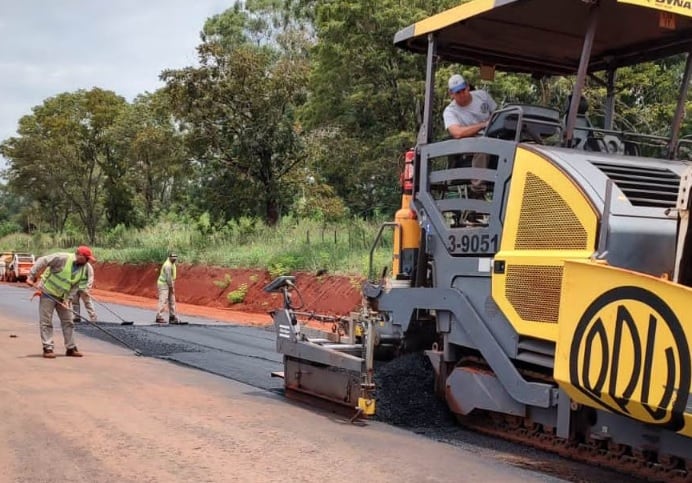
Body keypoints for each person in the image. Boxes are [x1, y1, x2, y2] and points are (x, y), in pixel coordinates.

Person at [26, 246, 97, 358]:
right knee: (46, 321)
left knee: (68, 321)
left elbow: (75, 286)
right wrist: (31, 276)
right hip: (48, 293)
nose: (88, 261)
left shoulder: (84, 267)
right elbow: (42, 260)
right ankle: (48, 348)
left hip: (63, 297)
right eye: (86, 258)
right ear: (79, 255)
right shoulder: (62, 258)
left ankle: (71, 348)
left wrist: (68, 299)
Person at [443, 74, 498, 197]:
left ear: (467, 87)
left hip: (492, 136)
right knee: (482, 144)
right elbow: (457, 133)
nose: (462, 94)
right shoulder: (450, 111)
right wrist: (483, 125)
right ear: (451, 94)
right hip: (468, 143)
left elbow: (497, 114)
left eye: (463, 90)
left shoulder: (482, 96)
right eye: (458, 92)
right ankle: (477, 189)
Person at [155, 252, 185, 324]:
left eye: (175, 258)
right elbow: (168, 278)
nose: (174, 260)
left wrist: (172, 286)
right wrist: (171, 288)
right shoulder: (167, 265)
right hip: (164, 284)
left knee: (172, 300)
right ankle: (159, 317)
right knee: (163, 300)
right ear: (169, 257)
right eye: (173, 258)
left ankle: (172, 317)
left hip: (170, 283)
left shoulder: (172, 263)